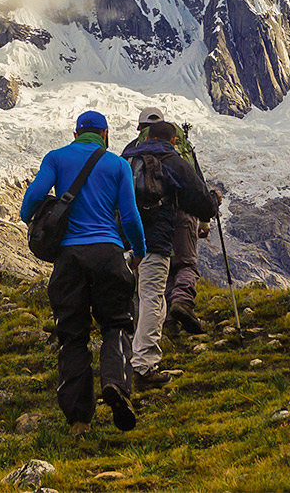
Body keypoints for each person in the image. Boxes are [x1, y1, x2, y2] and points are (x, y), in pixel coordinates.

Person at [20, 110, 147, 436]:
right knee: (117, 325)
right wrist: (140, 251)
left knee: (72, 335)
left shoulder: (57, 158)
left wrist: (35, 218)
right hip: (108, 254)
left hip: (69, 260)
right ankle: (115, 385)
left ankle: (79, 420)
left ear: (76, 133)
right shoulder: (117, 164)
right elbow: (130, 217)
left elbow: (31, 201)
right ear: (105, 134)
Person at [121, 120, 219, 389]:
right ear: (174, 140)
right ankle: (145, 366)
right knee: (153, 295)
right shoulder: (172, 161)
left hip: (126, 239)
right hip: (157, 239)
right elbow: (199, 200)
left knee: (139, 296)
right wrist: (212, 203)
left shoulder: (128, 157)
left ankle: (129, 358)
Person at [126, 107, 213, 335]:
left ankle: (165, 323)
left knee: (155, 271)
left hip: (144, 219)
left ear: (141, 128)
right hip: (183, 216)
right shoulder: (179, 152)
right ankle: (182, 302)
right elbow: (197, 186)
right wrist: (205, 218)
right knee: (184, 263)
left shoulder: (131, 152)